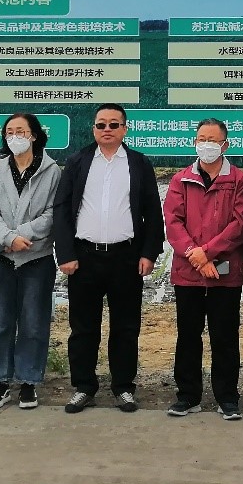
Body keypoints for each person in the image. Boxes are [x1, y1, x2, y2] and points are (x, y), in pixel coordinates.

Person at [53, 104, 164, 414]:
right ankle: (84, 387)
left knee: (125, 328)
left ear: (124, 129)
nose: (107, 129)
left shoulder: (138, 163)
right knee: (83, 328)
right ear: (93, 129)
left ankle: (123, 387)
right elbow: (62, 209)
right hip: (84, 257)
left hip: (126, 257)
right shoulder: (77, 162)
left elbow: (152, 211)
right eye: (101, 124)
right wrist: (66, 253)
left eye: (114, 124)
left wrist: (149, 253)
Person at [162, 118, 243, 420]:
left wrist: (208, 253)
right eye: (202, 139)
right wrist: (195, 255)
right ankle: (188, 396)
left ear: (225, 145)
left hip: (225, 271)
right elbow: (173, 223)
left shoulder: (238, 180)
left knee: (224, 335)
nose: (207, 145)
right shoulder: (181, 179)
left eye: (213, 140)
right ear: (194, 142)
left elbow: (239, 224)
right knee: (188, 335)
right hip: (188, 272)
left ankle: (227, 397)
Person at [0, 113, 61, 411]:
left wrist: (23, 235)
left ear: (34, 135)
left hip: (36, 257)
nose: (15, 137)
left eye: (21, 131)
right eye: (10, 132)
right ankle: (0, 382)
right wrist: (7, 238)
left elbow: (53, 212)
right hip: (2, 256)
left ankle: (28, 382)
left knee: (33, 323)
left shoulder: (51, 170)